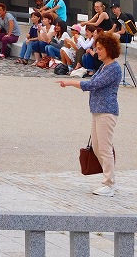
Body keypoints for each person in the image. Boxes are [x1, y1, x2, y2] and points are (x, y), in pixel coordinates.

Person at [56, 31, 122, 197]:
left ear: (109, 49)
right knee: (98, 148)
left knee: (105, 148)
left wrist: (71, 82)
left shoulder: (113, 68)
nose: (97, 51)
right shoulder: (104, 66)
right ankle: (109, 179)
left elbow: (94, 84)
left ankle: (109, 183)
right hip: (98, 110)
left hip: (106, 111)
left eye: (100, 48)